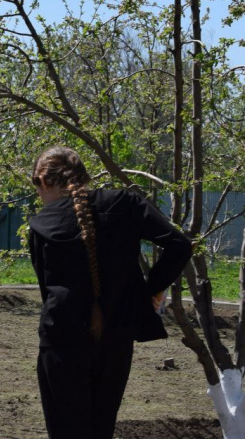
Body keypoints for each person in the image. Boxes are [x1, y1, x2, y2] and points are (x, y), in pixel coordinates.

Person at [28, 146, 192, 439]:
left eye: (36, 187)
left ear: (44, 179)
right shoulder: (125, 202)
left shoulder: (41, 224)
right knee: (101, 429)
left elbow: (46, 290)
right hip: (116, 336)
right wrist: (148, 290)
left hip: (61, 339)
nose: (39, 196)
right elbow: (179, 244)